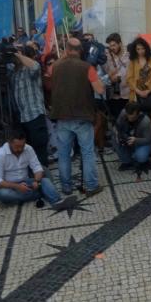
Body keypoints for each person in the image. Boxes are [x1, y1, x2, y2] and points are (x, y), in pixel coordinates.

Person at [50, 37, 105, 196]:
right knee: (87, 152)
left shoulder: (56, 66)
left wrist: (62, 58)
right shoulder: (87, 67)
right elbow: (100, 90)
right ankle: (91, 185)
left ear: (66, 50)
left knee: (64, 154)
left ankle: (66, 187)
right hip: (82, 116)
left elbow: (48, 74)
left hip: (61, 116)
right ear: (81, 51)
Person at [0, 129, 62, 207]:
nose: (20, 149)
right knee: (2, 194)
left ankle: (57, 201)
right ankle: (40, 193)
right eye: (17, 147)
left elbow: (37, 167)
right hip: (10, 186)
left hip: (27, 182)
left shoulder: (28, 149)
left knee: (45, 179)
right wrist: (17, 186)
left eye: (22, 146)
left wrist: (36, 181)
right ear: (10, 142)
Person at [9, 44, 51, 168]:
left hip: (34, 115)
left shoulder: (30, 69)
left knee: (39, 151)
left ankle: (44, 181)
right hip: (21, 118)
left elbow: (35, 66)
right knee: (27, 152)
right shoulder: (13, 72)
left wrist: (17, 54)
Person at [112, 101, 151, 179]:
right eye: (128, 116)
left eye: (132, 117)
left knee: (141, 157)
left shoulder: (145, 121)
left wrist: (136, 140)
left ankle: (141, 158)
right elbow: (116, 126)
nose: (129, 119)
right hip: (127, 137)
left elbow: (148, 139)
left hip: (141, 141)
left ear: (138, 113)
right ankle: (126, 161)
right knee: (114, 137)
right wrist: (117, 134)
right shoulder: (123, 112)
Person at [125, 37, 151, 112]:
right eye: (138, 49)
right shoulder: (132, 62)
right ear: (135, 50)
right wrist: (138, 91)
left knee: (150, 116)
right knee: (136, 115)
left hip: (150, 94)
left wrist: (148, 91)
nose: (141, 51)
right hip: (135, 94)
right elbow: (129, 78)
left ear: (146, 48)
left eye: (143, 48)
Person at [105, 32, 130, 121]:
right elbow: (106, 74)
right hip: (114, 95)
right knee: (116, 120)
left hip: (127, 94)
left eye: (114, 45)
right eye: (110, 46)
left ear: (120, 43)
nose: (112, 48)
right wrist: (111, 78)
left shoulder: (129, 55)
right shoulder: (108, 57)